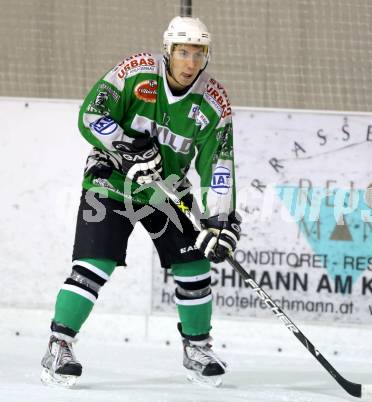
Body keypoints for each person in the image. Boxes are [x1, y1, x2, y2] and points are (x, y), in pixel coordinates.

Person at [40, 15, 241, 388]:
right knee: (93, 265)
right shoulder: (135, 72)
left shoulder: (214, 103)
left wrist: (220, 220)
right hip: (112, 179)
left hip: (166, 188)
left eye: (198, 54)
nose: (190, 62)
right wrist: (126, 147)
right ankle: (59, 345)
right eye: (183, 52)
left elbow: (219, 165)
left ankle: (197, 348)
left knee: (195, 263)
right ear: (168, 51)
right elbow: (92, 114)